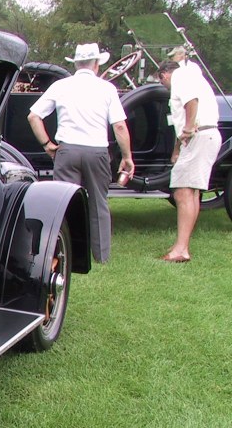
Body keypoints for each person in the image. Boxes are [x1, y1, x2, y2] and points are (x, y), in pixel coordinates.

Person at [27, 42, 134, 264]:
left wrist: (47, 144)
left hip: (67, 150)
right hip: (97, 151)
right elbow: (120, 126)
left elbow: (33, 116)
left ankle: (63, 253)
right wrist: (127, 157)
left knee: (63, 204)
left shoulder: (61, 86)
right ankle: (101, 255)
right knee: (98, 203)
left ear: (76, 64)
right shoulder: (107, 88)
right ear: (96, 64)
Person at [155, 60, 221, 263]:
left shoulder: (180, 77)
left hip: (199, 136)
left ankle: (181, 249)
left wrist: (189, 129)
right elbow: (183, 116)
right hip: (207, 135)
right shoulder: (194, 77)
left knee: (182, 192)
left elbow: (191, 102)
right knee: (192, 192)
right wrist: (177, 149)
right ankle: (182, 245)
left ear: (163, 75)